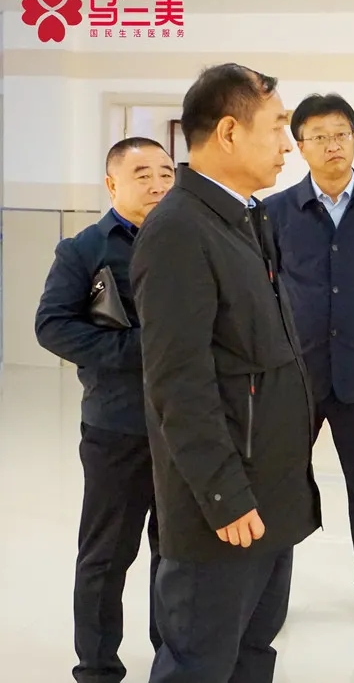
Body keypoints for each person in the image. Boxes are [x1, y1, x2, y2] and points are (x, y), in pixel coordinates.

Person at [130, 63, 322, 683]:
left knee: (252, 654)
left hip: (269, 494)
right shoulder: (179, 230)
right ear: (231, 133)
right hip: (225, 509)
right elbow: (178, 384)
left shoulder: (245, 218)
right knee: (200, 663)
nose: (289, 144)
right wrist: (224, 495)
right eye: (278, 127)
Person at [264, 93, 354, 631]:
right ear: (300, 146)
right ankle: (265, 593)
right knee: (278, 482)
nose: (333, 145)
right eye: (320, 137)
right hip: (294, 373)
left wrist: (353, 320)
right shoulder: (274, 212)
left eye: (341, 134)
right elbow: (266, 286)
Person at [35, 137, 174, 683]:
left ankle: (174, 658)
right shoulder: (84, 249)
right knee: (106, 555)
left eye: (166, 173)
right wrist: (138, 350)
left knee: (176, 553)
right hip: (117, 425)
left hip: (185, 427)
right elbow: (52, 326)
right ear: (112, 183)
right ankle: (96, 666)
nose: (158, 184)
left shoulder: (191, 241)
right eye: (143, 174)